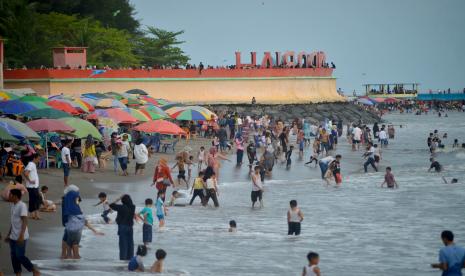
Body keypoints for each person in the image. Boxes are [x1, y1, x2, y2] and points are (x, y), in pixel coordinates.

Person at [5, 189, 41, 275]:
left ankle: (34, 270)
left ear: (15, 196)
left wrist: (21, 235)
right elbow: (13, 222)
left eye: (10, 195)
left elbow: (25, 220)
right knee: (14, 256)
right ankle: (18, 273)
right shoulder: (13, 206)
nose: (9, 196)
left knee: (20, 255)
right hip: (13, 236)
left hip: (21, 236)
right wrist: (9, 234)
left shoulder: (22, 206)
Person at [109, 194, 136, 260]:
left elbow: (111, 204)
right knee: (130, 243)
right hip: (130, 227)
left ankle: (123, 259)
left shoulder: (121, 207)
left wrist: (118, 198)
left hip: (122, 226)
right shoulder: (133, 207)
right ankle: (130, 258)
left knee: (123, 244)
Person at [23, 154, 40, 220]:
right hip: (32, 186)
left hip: (33, 186)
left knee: (33, 200)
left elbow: (25, 172)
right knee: (36, 200)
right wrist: (30, 181)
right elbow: (25, 173)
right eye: (38, 159)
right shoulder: (31, 164)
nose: (39, 160)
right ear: (34, 158)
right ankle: (36, 215)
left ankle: (32, 214)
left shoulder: (32, 164)